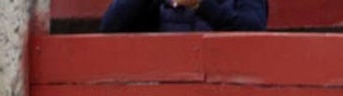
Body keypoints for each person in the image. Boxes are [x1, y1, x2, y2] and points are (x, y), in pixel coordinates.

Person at [100, 0, 268, 32]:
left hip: (226, 79)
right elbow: (110, 26)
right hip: (165, 83)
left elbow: (253, 27)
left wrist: (201, 5)